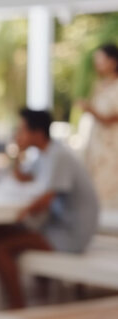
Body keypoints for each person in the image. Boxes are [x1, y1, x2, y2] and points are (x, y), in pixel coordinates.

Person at [0, 108, 99, 309]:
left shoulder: (59, 156)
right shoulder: (43, 155)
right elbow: (22, 178)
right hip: (52, 226)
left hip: (69, 234)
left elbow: (45, 200)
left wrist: (23, 213)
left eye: (22, 130)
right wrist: (17, 154)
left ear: (37, 133)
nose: (18, 134)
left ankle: (16, 305)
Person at [79, 43, 118, 210]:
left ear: (113, 61)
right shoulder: (99, 85)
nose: (97, 65)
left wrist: (90, 110)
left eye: (101, 60)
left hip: (112, 148)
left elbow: (112, 118)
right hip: (96, 146)